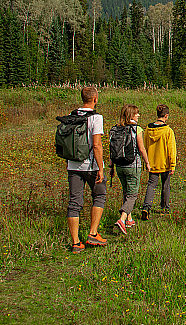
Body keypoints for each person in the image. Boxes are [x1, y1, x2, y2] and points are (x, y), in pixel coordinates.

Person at [67, 86, 107, 253]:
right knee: (99, 195)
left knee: (74, 202)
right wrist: (100, 168)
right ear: (95, 99)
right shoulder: (96, 118)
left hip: (73, 165)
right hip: (91, 165)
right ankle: (93, 233)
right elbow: (97, 144)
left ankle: (76, 242)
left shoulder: (71, 116)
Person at [112, 105, 149, 235]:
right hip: (133, 165)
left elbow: (113, 149)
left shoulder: (116, 129)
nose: (138, 115)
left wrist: (112, 165)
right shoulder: (136, 129)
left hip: (119, 165)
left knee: (126, 191)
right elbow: (141, 149)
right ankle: (122, 220)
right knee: (132, 194)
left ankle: (129, 218)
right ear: (131, 115)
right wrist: (147, 163)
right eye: (137, 113)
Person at [140, 104, 176, 219]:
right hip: (164, 163)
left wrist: (146, 162)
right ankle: (165, 207)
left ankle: (146, 207)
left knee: (151, 185)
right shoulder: (168, 131)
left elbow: (144, 146)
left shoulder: (147, 129)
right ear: (166, 116)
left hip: (152, 163)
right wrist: (173, 164)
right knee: (165, 185)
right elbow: (171, 149)